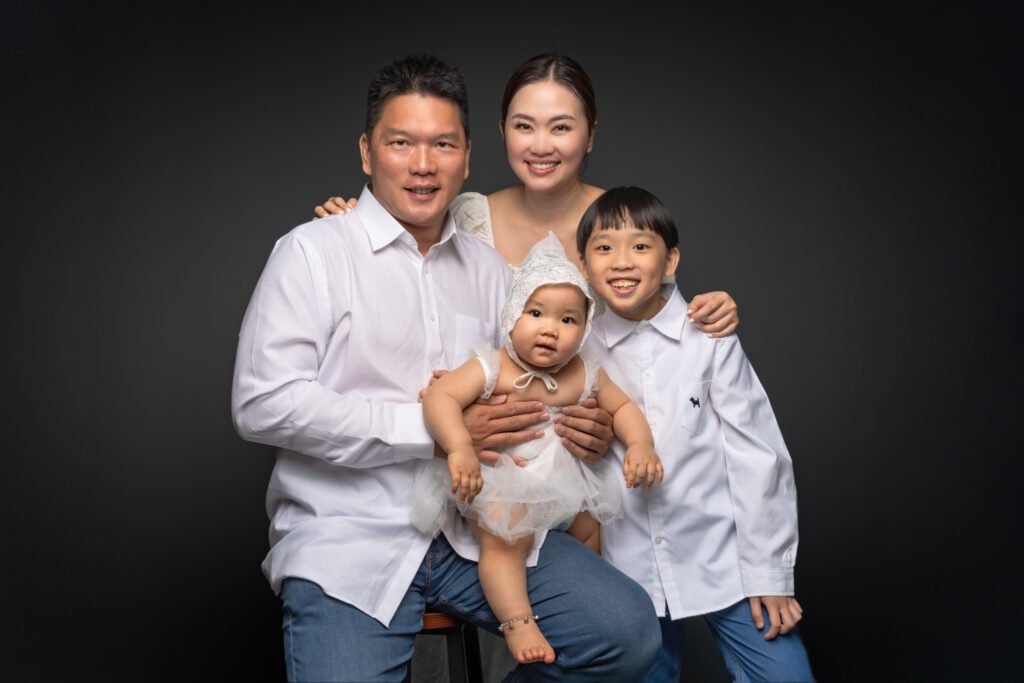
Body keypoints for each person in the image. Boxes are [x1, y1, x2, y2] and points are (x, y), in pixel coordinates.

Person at [231, 53, 660, 683]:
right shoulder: (312, 254)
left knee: (624, 634)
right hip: (350, 539)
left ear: (466, 157)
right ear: (366, 152)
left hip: (482, 535)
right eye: (401, 142)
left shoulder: (493, 276)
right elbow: (262, 403)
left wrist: (587, 425)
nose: (423, 164)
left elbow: (543, 374)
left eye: (443, 144)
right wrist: (432, 432)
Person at [312, 52, 740, 681]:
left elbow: (656, 335)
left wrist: (709, 310)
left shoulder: (614, 223)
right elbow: (404, 247)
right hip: (483, 467)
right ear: (500, 133)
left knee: (607, 632)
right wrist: (347, 221)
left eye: (561, 126)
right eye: (523, 125)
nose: (541, 145)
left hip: (589, 466)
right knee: (504, 574)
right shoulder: (464, 215)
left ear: (591, 134)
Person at [576, 186, 815, 682]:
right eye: (604, 248)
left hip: (724, 561)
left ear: (671, 260)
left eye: (640, 246)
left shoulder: (710, 339)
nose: (621, 261)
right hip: (626, 573)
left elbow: (758, 456)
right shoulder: (576, 347)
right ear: (582, 264)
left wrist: (770, 573)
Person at [416, 232, 663, 665]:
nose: (550, 328)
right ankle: (517, 619)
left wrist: (640, 443)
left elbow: (622, 406)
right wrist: (459, 448)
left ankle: (581, 601)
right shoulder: (493, 365)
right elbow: (440, 398)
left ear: (584, 330)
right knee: (505, 535)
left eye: (568, 320)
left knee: (591, 528)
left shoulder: (584, 371)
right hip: (503, 478)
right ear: (512, 317)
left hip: (563, 484)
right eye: (536, 313)